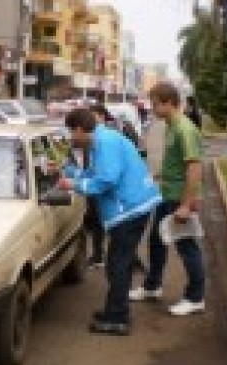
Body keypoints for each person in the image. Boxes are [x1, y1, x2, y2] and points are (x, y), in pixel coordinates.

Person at [58, 108, 162, 335]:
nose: (70, 137)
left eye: (71, 132)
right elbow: (95, 173)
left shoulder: (105, 143)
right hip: (132, 206)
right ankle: (114, 310)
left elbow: (106, 180)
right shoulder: (102, 140)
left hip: (129, 208)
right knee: (118, 263)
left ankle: (117, 318)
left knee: (118, 264)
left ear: (79, 129)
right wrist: (70, 175)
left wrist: (74, 185)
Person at [129, 81, 207, 317]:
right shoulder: (171, 126)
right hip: (167, 194)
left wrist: (186, 204)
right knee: (156, 241)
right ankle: (153, 286)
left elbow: (194, 167)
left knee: (186, 246)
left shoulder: (184, 129)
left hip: (179, 198)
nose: (151, 108)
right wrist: (158, 174)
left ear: (168, 103)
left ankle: (195, 297)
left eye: (154, 104)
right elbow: (178, 163)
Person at [87, 104, 147, 275]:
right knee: (98, 223)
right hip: (101, 188)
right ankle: (99, 255)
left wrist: (82, 183)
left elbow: (111, 175)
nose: (91, 121)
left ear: (102, 116)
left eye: (93, 116)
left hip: (120, 196)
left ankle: (130, 261)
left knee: (120, 242)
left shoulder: (112, 135)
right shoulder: (93, 136)